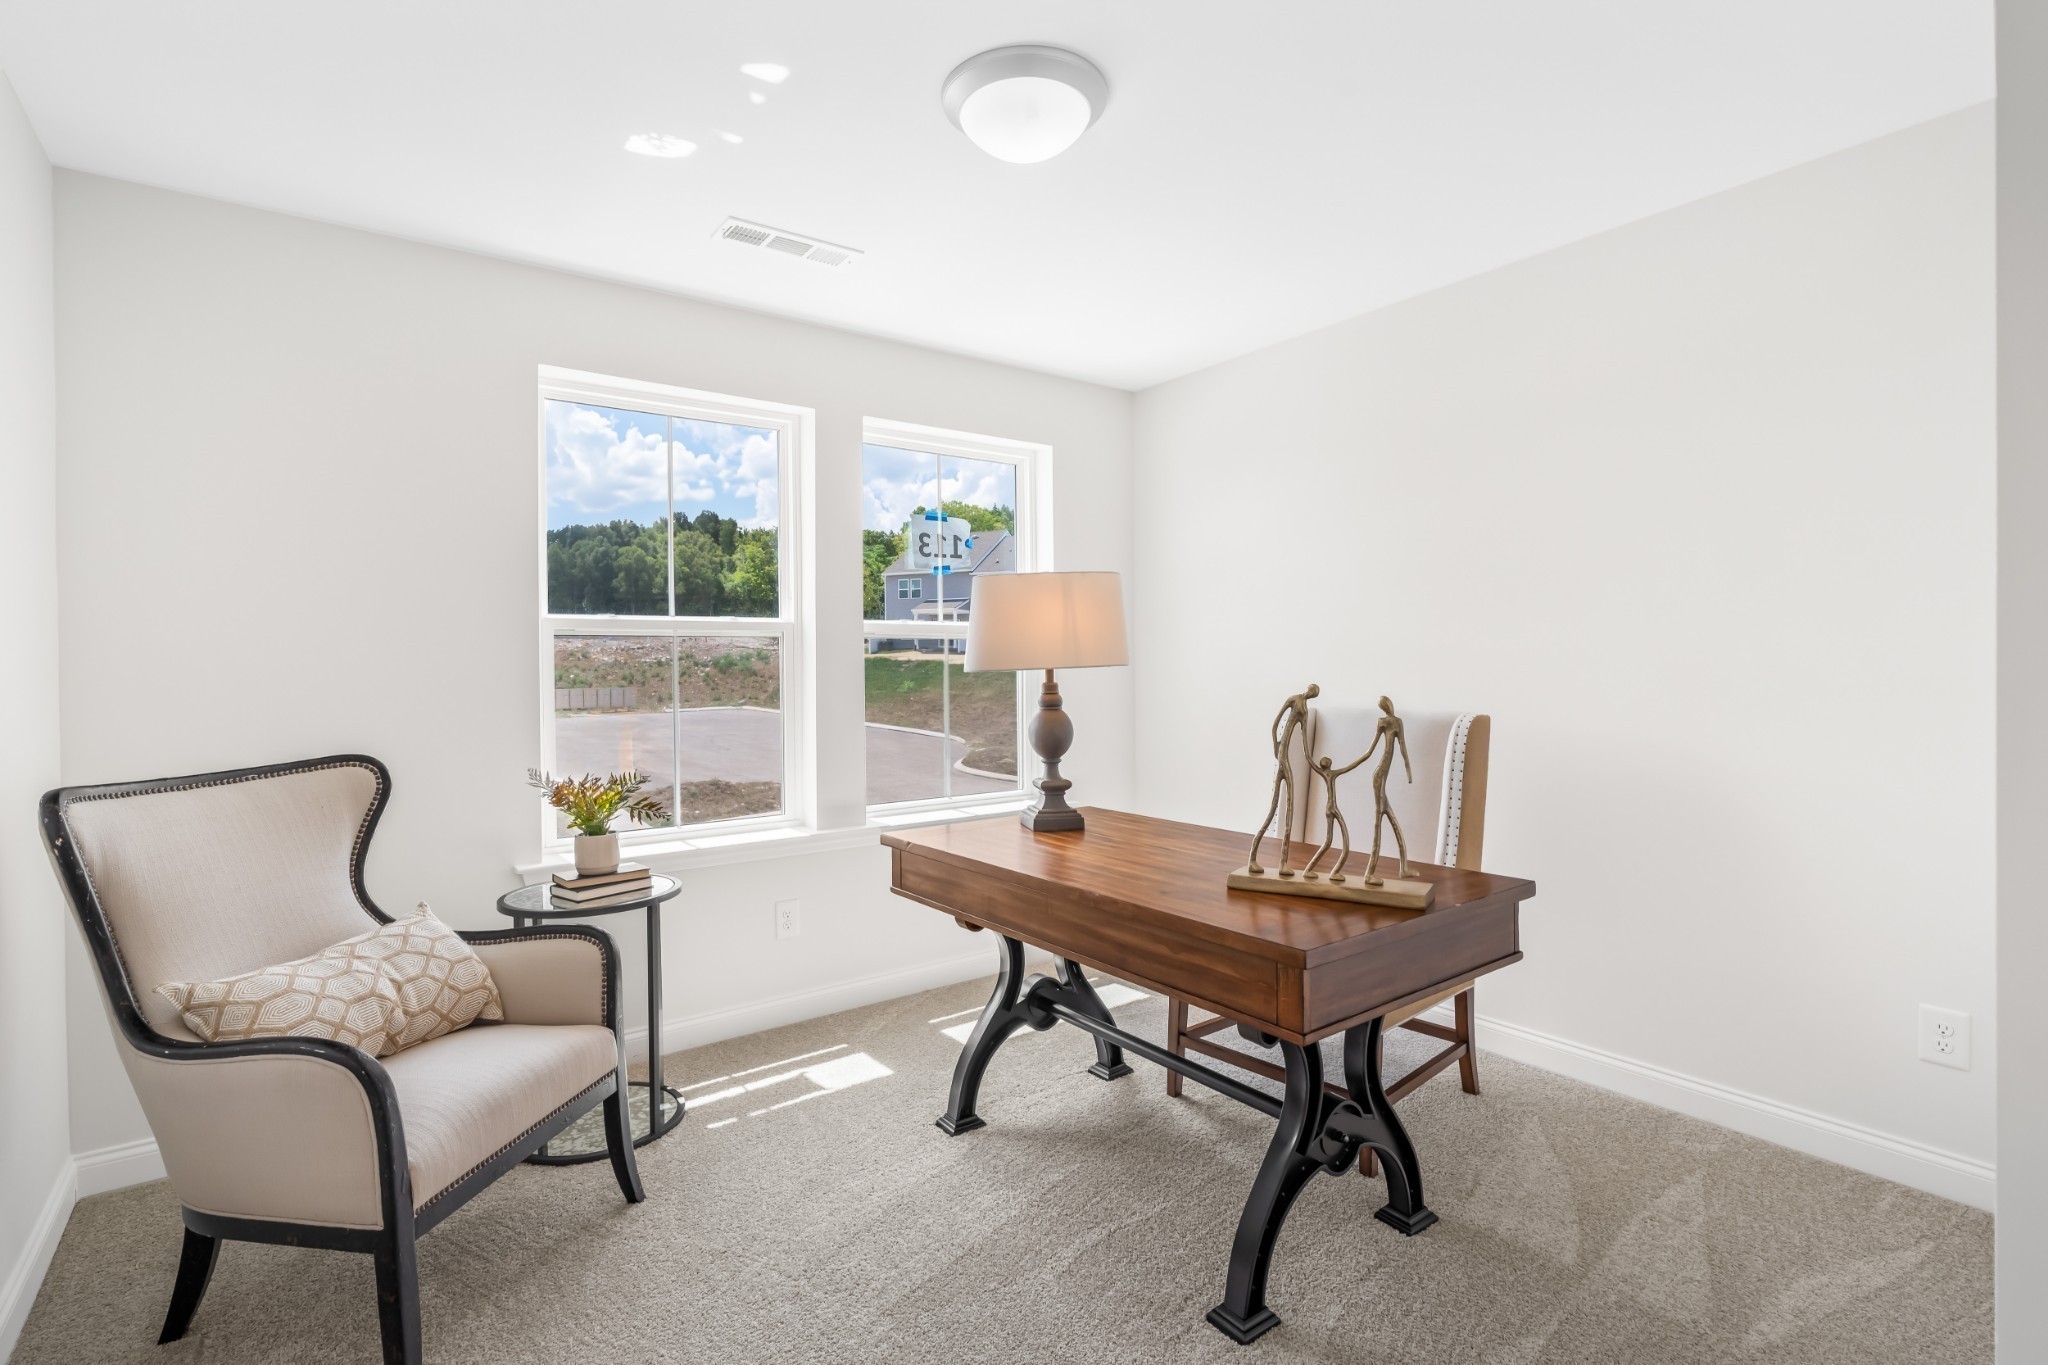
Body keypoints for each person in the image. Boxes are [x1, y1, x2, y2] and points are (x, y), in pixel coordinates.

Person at [1245, 684, 1318, 876]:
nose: (1311, 693)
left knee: (1288, 812)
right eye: (1312, 690)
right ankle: (1253, 858)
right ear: (1308, 689)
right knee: (1274, 811)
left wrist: (1311, 761)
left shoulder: (1305, 710)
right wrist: (1275, 745)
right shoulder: (1294, 699)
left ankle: (1283, 863)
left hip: (1287, 761)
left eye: (1314, 693)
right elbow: (1277, 722)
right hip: (1283, 758)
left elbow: (1303, 739)